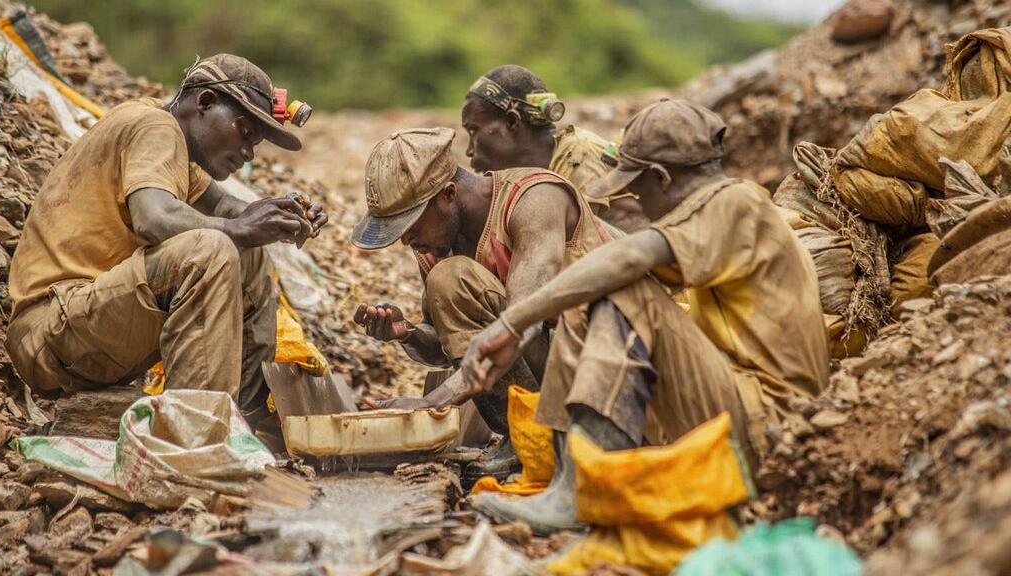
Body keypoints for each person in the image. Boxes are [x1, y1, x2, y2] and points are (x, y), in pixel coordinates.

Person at [460, 99, 830, 534]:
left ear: (662, 178)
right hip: (735, 406)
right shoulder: (715, 220)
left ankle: (586, 491)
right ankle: (570, 477)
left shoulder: (737, 204)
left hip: (768, 424)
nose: (637, 202)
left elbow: (629, 257)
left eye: (637, 190)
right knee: (588, 289)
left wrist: (510, 323)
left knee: (622, 287)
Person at [5, 54, 327, 426]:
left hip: (85, 329)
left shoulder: (175, 150)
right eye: (244, 131)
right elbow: (154, 218)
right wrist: (240, 229)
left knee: (246, 250)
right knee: (212, 248)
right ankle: (196, 436)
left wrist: (280, 214)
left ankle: (246, 423)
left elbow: (224, 205)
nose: (248, 152)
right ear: (204, 102)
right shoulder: (155, 126)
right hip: (51, 331)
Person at [350, 127, 613, 481]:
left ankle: (547, 441)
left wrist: (433, 402)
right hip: (555, 374)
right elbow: (455, 347)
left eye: (410, 224)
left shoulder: (534, 199)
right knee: (449, 278)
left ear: (447, 195)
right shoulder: (435, 243)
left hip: (607, 369)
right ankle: (525, 438)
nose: (407, 240)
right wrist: (409, 334)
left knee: (451, 278)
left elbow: (521, 323)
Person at [461, 64, 649, 233]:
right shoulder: (535, 177)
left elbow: (584, 246)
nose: (469, 150)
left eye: (473, 131)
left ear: (512, 122)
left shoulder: (578, 157)